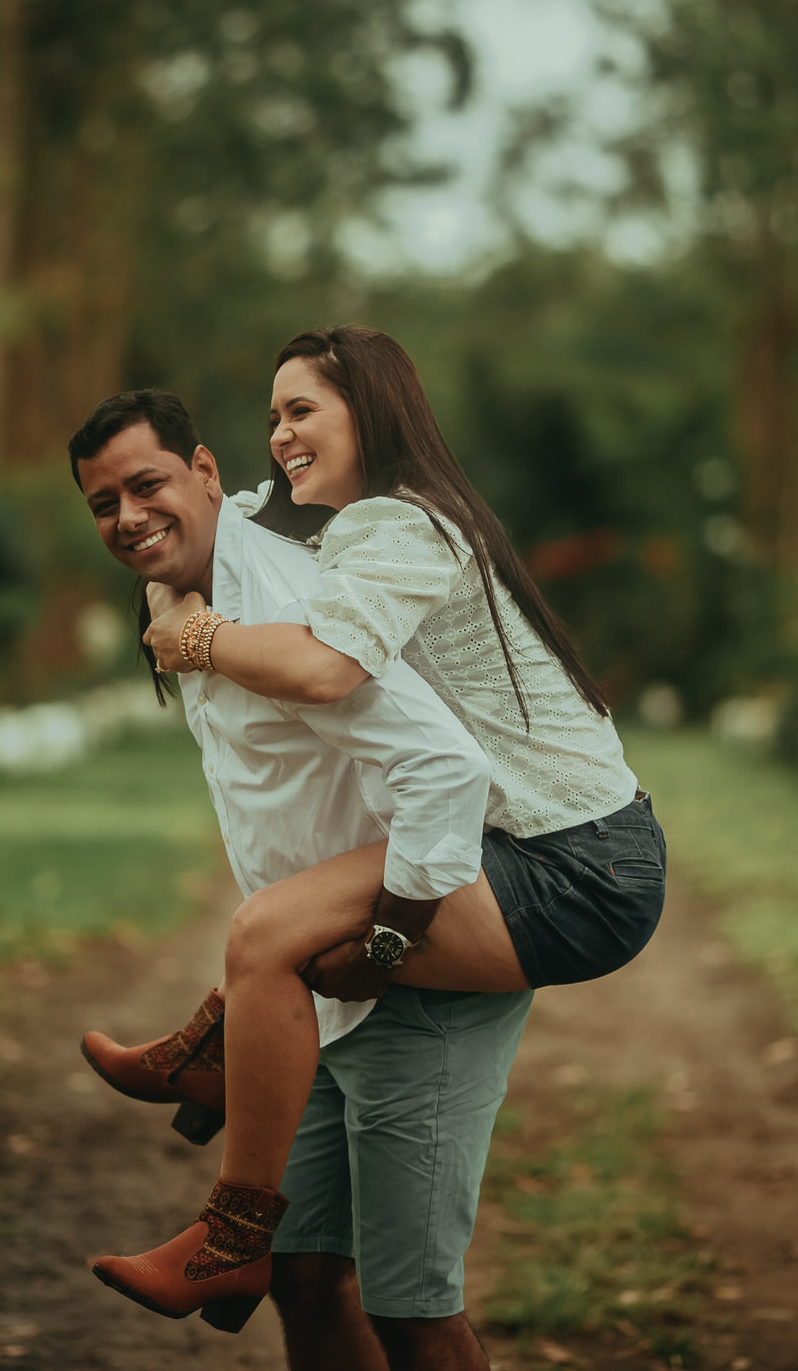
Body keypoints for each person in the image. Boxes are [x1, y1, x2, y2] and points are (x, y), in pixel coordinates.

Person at [70, 388, 533, 1371]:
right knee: (307, 1276)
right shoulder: (188, 594)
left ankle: (214, 1097)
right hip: (314, 987)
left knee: (412, 1307)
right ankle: (218, 1048)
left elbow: (448, 769)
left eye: (147, 485)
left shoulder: (286, 604)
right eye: (104, 504)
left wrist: (390, 940)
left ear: (203, 471)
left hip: (402, 966)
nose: (128, 517)